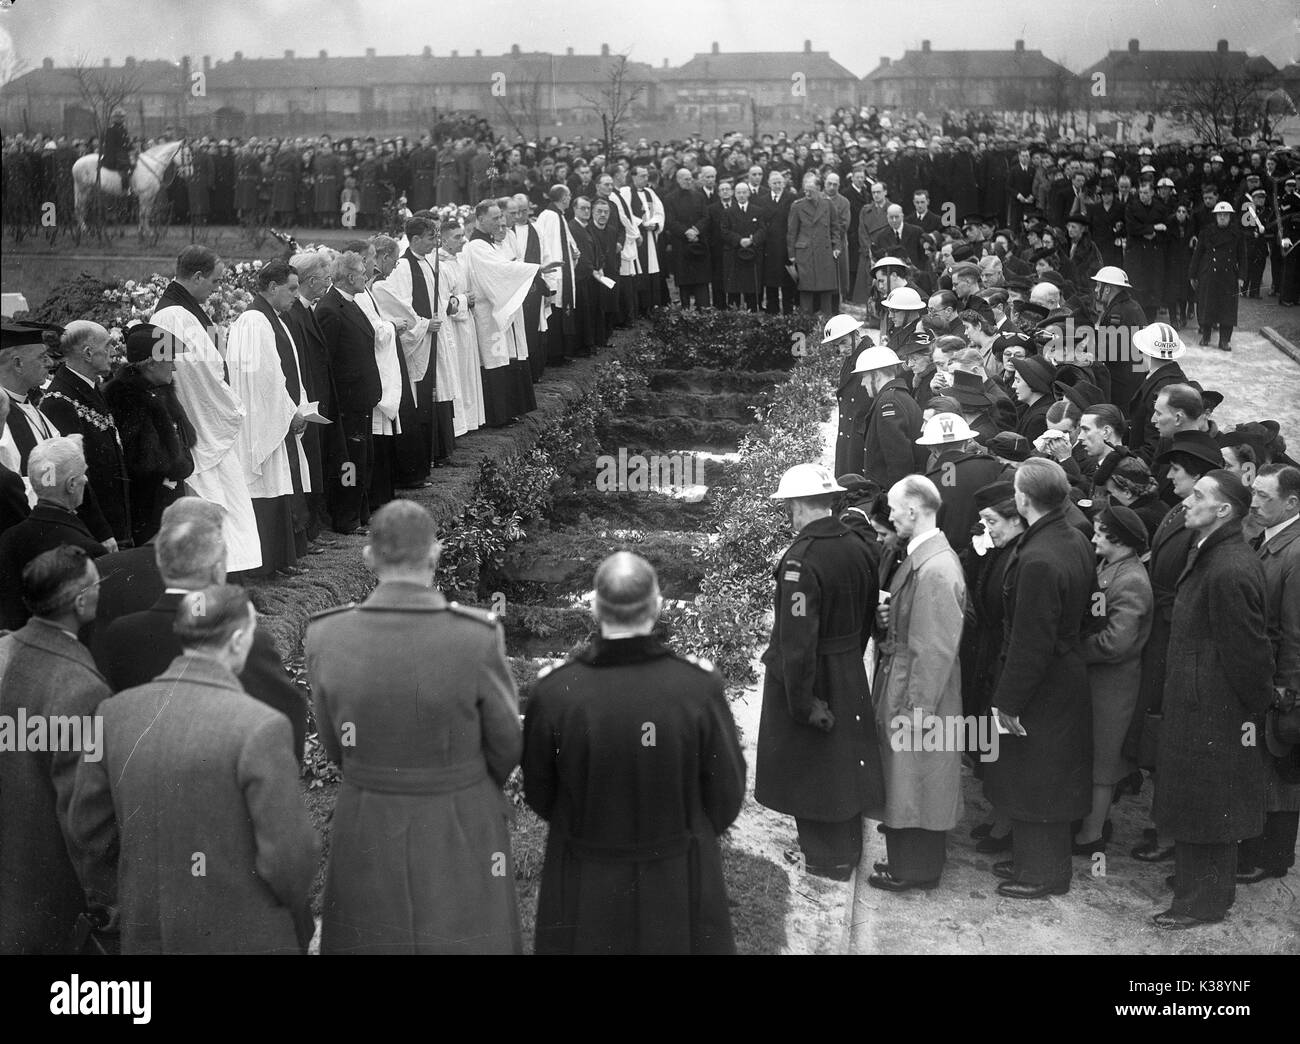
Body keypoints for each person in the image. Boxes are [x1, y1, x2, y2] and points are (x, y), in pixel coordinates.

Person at [306, 501, 522, 953]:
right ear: (435, 554)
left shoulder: (327, 635)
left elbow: (333, 742)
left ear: (369, 559)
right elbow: (505, 742)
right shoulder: (475, 635)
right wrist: (466, 782)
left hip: (368, 815)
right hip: (458, 813)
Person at [68, 584, 319, 953]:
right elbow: (290, 859)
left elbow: (86, 827)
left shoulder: (112, 714)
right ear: (237, 641)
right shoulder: (261, 726)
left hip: (148, 930)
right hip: (243, 934)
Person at [523, 551, 745, 953]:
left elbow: (541, 793)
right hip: (675, 875)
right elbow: (726, 793)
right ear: (657, 607)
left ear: (594, 607)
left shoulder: (555, 691)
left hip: (585, 879)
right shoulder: (696, 687)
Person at [96, 496, 306, 761]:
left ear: (161, 560)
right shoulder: (240, 637)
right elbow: (288, 718)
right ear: (219, 567)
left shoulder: (121, 633)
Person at [1153, 472, 1273, 929]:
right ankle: (1196, 889)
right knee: (1196, 802)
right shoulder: (1210, 552)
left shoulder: (1229, 566)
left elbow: (1249, 652)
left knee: (1209, 806)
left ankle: (1203, 903)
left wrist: (1248, 709)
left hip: (1215, 710)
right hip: (1199, 702)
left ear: (1224, 511)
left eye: (1200, 496)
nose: (1188, 501)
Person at [755, 464, 883, 880]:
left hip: (813, 674)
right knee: (844, 767)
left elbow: (797, 639)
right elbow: (867, 615)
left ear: (795, 506)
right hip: (847, 665)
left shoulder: (801, 561)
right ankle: (847, 852)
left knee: (812, 769)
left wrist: (802, 701)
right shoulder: (858, 544)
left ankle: (825, 859)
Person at [987, 458, 1095, 899]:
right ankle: (1036, 862)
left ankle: (1043, 874)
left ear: (1022, 498)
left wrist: (1007, 702)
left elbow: (1032, 642)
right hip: (1064, 675)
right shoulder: (1072, 538)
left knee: (1038, 777)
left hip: (1042, 684)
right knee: (1043, 774)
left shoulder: (1036, 558)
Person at [0, 546, 112, 954]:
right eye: (97, 583)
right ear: (81, 601)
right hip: (49, 898)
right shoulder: (80, 687)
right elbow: (86, 816)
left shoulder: (5, 652)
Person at [868, 475, 966, 892]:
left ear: (912, 510)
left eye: (893, 509)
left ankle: (915, 870)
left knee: (917, 781)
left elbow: (935, 649)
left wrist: (918, 710)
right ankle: (911, 865)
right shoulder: (929, 558)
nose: (889, 517)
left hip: (918, 691)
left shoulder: (936, 567)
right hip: (910, 683)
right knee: (912, 780)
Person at [151, 246, 262, 572]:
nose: (217, 288)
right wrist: (232, 406)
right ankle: (216, 571)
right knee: (213, 501)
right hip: (199, 425)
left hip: (207, 420)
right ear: (196, 276)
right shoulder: (172, 315)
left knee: (227, 501)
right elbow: (189, 376)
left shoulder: (188, 310)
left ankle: (230, 569)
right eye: (214, 281)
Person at [225, 259, 311, 578]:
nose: (294, 295)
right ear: (272, 288)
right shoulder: (255, 321)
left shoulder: (266, 317)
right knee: (265, 485)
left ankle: (277, 562)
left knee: (274, 485)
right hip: (259, 420)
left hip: (267, 414)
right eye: (290, 289)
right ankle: (266, 565)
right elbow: (264, 378)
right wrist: (290, 412)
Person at [1077, 505, 1152, 854]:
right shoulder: (1110, 568)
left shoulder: (1132, 580)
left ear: (1117, 540)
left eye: (1099, 532)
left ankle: (1091, 836)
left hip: (1113, 688)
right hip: (1098, 683)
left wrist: (1076, 648)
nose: (1093, 537)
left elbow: (1116, 643)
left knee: (1103, 765)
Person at [1239, 464, 1300, 884]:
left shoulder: (1294, 552)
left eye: (1264, 497)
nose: (1255, 503)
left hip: (1282, 682)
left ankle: (1273, 857)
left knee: (1280, 765)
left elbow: (1295, 630)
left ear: (1291, 503)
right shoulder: (1274, 539)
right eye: (1254, 494)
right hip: (1269, 674)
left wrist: (1288, 689)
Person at [463, 199, 558, 426]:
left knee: (507, 357)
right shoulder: (477, 246)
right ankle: (498, 415)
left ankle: (510, 410)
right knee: (495, 358)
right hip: (490, 312)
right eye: (495, 218)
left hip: (501, 309)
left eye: (501, 217)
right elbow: (500, 270)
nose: (501, 222)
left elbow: (506, 266)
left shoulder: (491, 244)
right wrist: (536, 268)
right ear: (480, 219)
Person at [38, 322, 130, 548]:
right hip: (95, 534)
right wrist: (103, 532)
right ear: (88, 353)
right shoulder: (60, 400)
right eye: (108, 346)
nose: (113, 352)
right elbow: (74, 473)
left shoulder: (89, 388)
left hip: (117, 523)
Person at [102, 324, 195, 547]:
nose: (174, 368)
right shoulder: (127, 397)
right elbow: (141, 460)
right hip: (148, 503)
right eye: (169, 360)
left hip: (166, 494)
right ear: (151, 364)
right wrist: (175, 464)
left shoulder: (159, 391)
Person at [0, 437, 106, 631]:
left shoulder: (8, 539)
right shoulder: (88, 550)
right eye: (84, 473)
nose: (86, 479)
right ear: (71, 485)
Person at [315, 245, 382, 535]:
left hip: (361, 399)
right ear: (348, 277)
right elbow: (326, 360)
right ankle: (346, 517)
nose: (367, 277)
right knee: (349, 463)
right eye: (362, 273)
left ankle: (361, 511)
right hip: (347, 403)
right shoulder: (330, 309)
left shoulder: (351, 302)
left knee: (362, 459)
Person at [918, 412, 1006, 550]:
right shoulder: (992, 467)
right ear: (966, 441)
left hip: (948, 558)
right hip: (992, 553)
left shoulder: (926, 485)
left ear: (931, 447)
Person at [853, 343, 926, 489]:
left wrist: (892, 502)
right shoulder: (897, 397)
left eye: (864, 376)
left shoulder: (889, 402)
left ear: (876, 374)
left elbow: (899, 462)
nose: (862, 383)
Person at [1189, 201, 1247, 351]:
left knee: (1227, 309)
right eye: (1220, 215)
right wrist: (1192, 274)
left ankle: (1224, 340)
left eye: (1225, 215)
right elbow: (1198, 254)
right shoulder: (1206, 232)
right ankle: (1206, 335)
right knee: (1207, 305)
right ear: (1215, 216)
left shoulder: (1236, 234)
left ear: (1230, 217)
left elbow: (1243, 256)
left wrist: (1241, 276)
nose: (1222, 218)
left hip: (1229, 276)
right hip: (1209, 273)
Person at [787, 171, 839, 316]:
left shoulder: (828, 204)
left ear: (818, 189)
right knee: (806, 291)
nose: (807, 193)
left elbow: (835, 227)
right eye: (805, 190)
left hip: (824, 252)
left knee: (826, 291)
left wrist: (836, 247)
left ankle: (827, 326)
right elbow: (792, 232)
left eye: (810, 190)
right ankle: (806, 326)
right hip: (805, 254)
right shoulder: (797, 206)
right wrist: (791, 255)